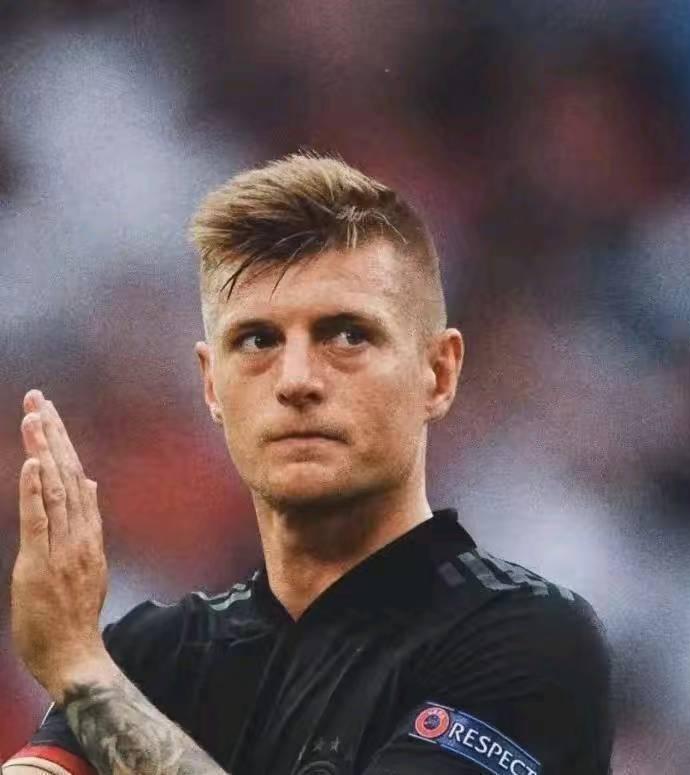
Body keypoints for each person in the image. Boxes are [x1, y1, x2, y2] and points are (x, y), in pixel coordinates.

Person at [4, 152, 613, 775]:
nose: (296, 380)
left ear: (438, 372)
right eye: (257, 340)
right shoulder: (151, 654)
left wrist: (83, 675)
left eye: (347, 335)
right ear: (212, 386)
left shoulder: (528, 640)